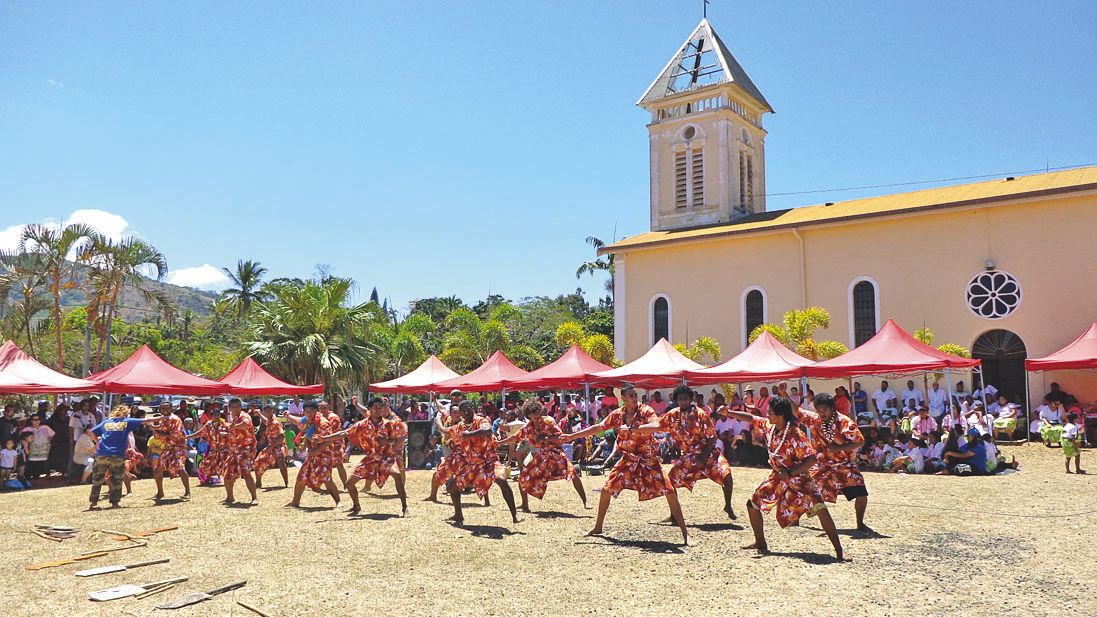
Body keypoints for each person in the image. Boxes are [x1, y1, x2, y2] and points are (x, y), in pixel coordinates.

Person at [722, 397, 847, 560]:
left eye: (770, 412)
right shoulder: (769, 426)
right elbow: (751, 418)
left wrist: (790, 473)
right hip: (777, 476)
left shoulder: (795, 434)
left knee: (820, 509)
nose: (767, 414)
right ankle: (760, 542)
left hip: (800, 479)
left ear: (780, 415)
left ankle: (839, 551)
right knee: (752, 505)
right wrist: (729, 413)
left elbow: (811, 459)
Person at [564, 385, 689, 545]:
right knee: (606, 490)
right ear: (623, 398)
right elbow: (599, 427)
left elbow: (656, 426)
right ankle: (598, 527)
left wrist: (634, 429)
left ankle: (685, 534)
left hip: (648, 459)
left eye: (635, 395)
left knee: (669, 491)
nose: (634, 398)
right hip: (627, 460)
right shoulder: (618, 414)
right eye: (631, 395)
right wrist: (572, 436)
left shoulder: (646, 411)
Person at [635, 384, 736, 521]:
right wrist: (638, 428)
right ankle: (674, 515)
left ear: (690, 399)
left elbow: (712, 437)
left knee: (727, 476)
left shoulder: (700, 414)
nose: (683, 401)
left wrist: (703, 457)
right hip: (689, 457)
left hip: (709, 454)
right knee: (669, 481)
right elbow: (658, 425)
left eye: (686, 398)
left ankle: (728, 506)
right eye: (680, 399)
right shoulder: (672, 415)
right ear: (677, 400)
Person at [319, 397, 408, 516]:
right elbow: (344, 433)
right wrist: (325, 438)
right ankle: (356, 506)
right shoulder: (362, 425)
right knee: (349, 483)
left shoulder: (389, 424)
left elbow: (397, 439)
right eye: (375, 407)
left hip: (386, 458)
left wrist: (387, 441)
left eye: (380, 407)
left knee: (397, 474)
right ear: (369, 409)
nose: (377, 409)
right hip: (370, 458)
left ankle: (404, 507)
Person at [797, 393, 871, 534]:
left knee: (861, 494)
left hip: (844, 466)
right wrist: (784, 394)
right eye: (819, 410)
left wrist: (839, 448)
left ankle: (860, 524)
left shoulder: (845, 422)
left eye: (825, 409)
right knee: (805, 488)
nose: (822, 413)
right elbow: (797, 411)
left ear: (832, 408)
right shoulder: (814, 419)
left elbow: (860, 441)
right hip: (822, 465)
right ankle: (795, 518)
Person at [496, 399, 588, 513]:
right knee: (522, 477)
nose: (536, 417)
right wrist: (500, 443)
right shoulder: (528, 427)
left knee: (573, 474)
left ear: (540, 412)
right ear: (529, 415)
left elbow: (560, 436)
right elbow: (516, 437)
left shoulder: (549, 421)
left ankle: (585, 501)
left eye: (537, 414)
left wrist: (545, 438)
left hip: (556, 453)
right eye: (533, 415)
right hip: (542, 456)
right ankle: (525, 505)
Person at [442, 400, 520, 525]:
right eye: (463, 410)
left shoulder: (481, 420)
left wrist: (470, 434)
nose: (466, 412)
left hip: (489, 461)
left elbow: (487, 430)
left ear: (472, 408)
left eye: (468, 408)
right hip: (472, 465)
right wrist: (437, 421)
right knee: (452, 488)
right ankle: (458, 515)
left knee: (502, 480)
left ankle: (514, 515)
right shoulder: (460, 426)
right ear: (460, 413)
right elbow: (446, 430)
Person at [87, 405, 162, 509]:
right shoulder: (126, 421)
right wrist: (162, 418)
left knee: (97, 478)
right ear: (125, 413)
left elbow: (91, 432)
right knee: (117, 478)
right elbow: (145, 420)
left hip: (102, 453)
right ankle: (115, 502)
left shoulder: (106, 422)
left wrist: (97, 443)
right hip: (117, 454)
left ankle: (93, 502)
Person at [285, 400, 342, 508]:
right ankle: (295, 502)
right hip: (312, 453)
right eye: (307, 411)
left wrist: (318, 450)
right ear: (304, 412)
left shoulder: (323, 423)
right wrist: (288, 416)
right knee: (301, 476)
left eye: (312, 411)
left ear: (316, 411)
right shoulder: (306, 420)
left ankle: (338, 502)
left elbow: (330, 440)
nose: (309, 413)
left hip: (325, 453)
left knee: (326, 478)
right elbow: (298, 421)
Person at [151, 401, 192, 502]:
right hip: (168, 447)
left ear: (171, 409)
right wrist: (153, 427)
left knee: (180, 468)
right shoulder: (163, 419)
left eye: (167, 408)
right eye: (163, 408)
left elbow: (175, 435)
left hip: (178, 447)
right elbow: (162, 429)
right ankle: (160, 492)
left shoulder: (175, 419)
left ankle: (188, 492)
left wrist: (161, 434)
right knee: (158, 469)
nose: (165, 410)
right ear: (160, 409)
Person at [221, 399, 258, 506]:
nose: (235, 409)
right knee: (227, 473)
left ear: (240, 407)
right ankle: (230, 497)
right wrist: (227, 434)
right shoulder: (234, 418)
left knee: (246, 472)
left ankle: (254, 498)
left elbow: (246, 424)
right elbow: (236, 433)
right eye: (232, 407)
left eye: (237, 406)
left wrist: (234, 426)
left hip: (245, 449)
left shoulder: (244, 416)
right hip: (234, 450)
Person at [254, 405, 289, 488]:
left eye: (269, 411)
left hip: (278, 445)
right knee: (258, 461)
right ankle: (258, 482)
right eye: (265, 412)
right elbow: (266, 422)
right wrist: (259, 414)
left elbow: (281, 437)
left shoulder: (275, 422)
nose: (267, 413)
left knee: (281, 462)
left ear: (272, 411)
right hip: (271, 446)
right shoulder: (270, 420)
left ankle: (286, 482)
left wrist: (271, 447)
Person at [22, 413, 55, 479]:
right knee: (32, 464)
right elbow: (22, 438)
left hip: (44, 450)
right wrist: (26, 446)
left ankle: (41, 476)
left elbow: (52, 434)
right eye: (34, 420)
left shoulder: (45, 427)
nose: (36, 421)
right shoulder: (27, 429)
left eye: (38, 419)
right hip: (32, 450)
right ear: (31, 421)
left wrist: (47, 442)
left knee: (42, 464)